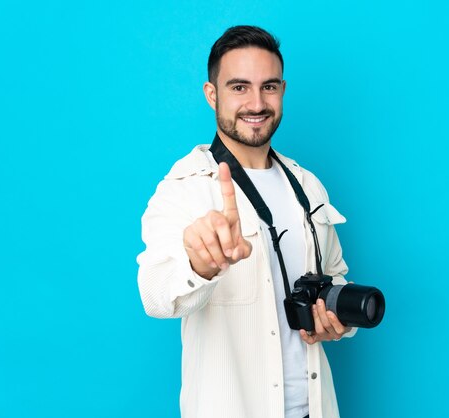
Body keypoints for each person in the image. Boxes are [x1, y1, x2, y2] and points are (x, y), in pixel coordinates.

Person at [137, 25, 356, 418]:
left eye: (268, 87)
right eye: (239, 87)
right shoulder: (185, 186)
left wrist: (336, 318)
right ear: (211, 95)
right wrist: (199, 266)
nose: (256, 103)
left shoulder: (308, 185)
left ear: (283, 91)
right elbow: (153, 295)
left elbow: (335, 275)